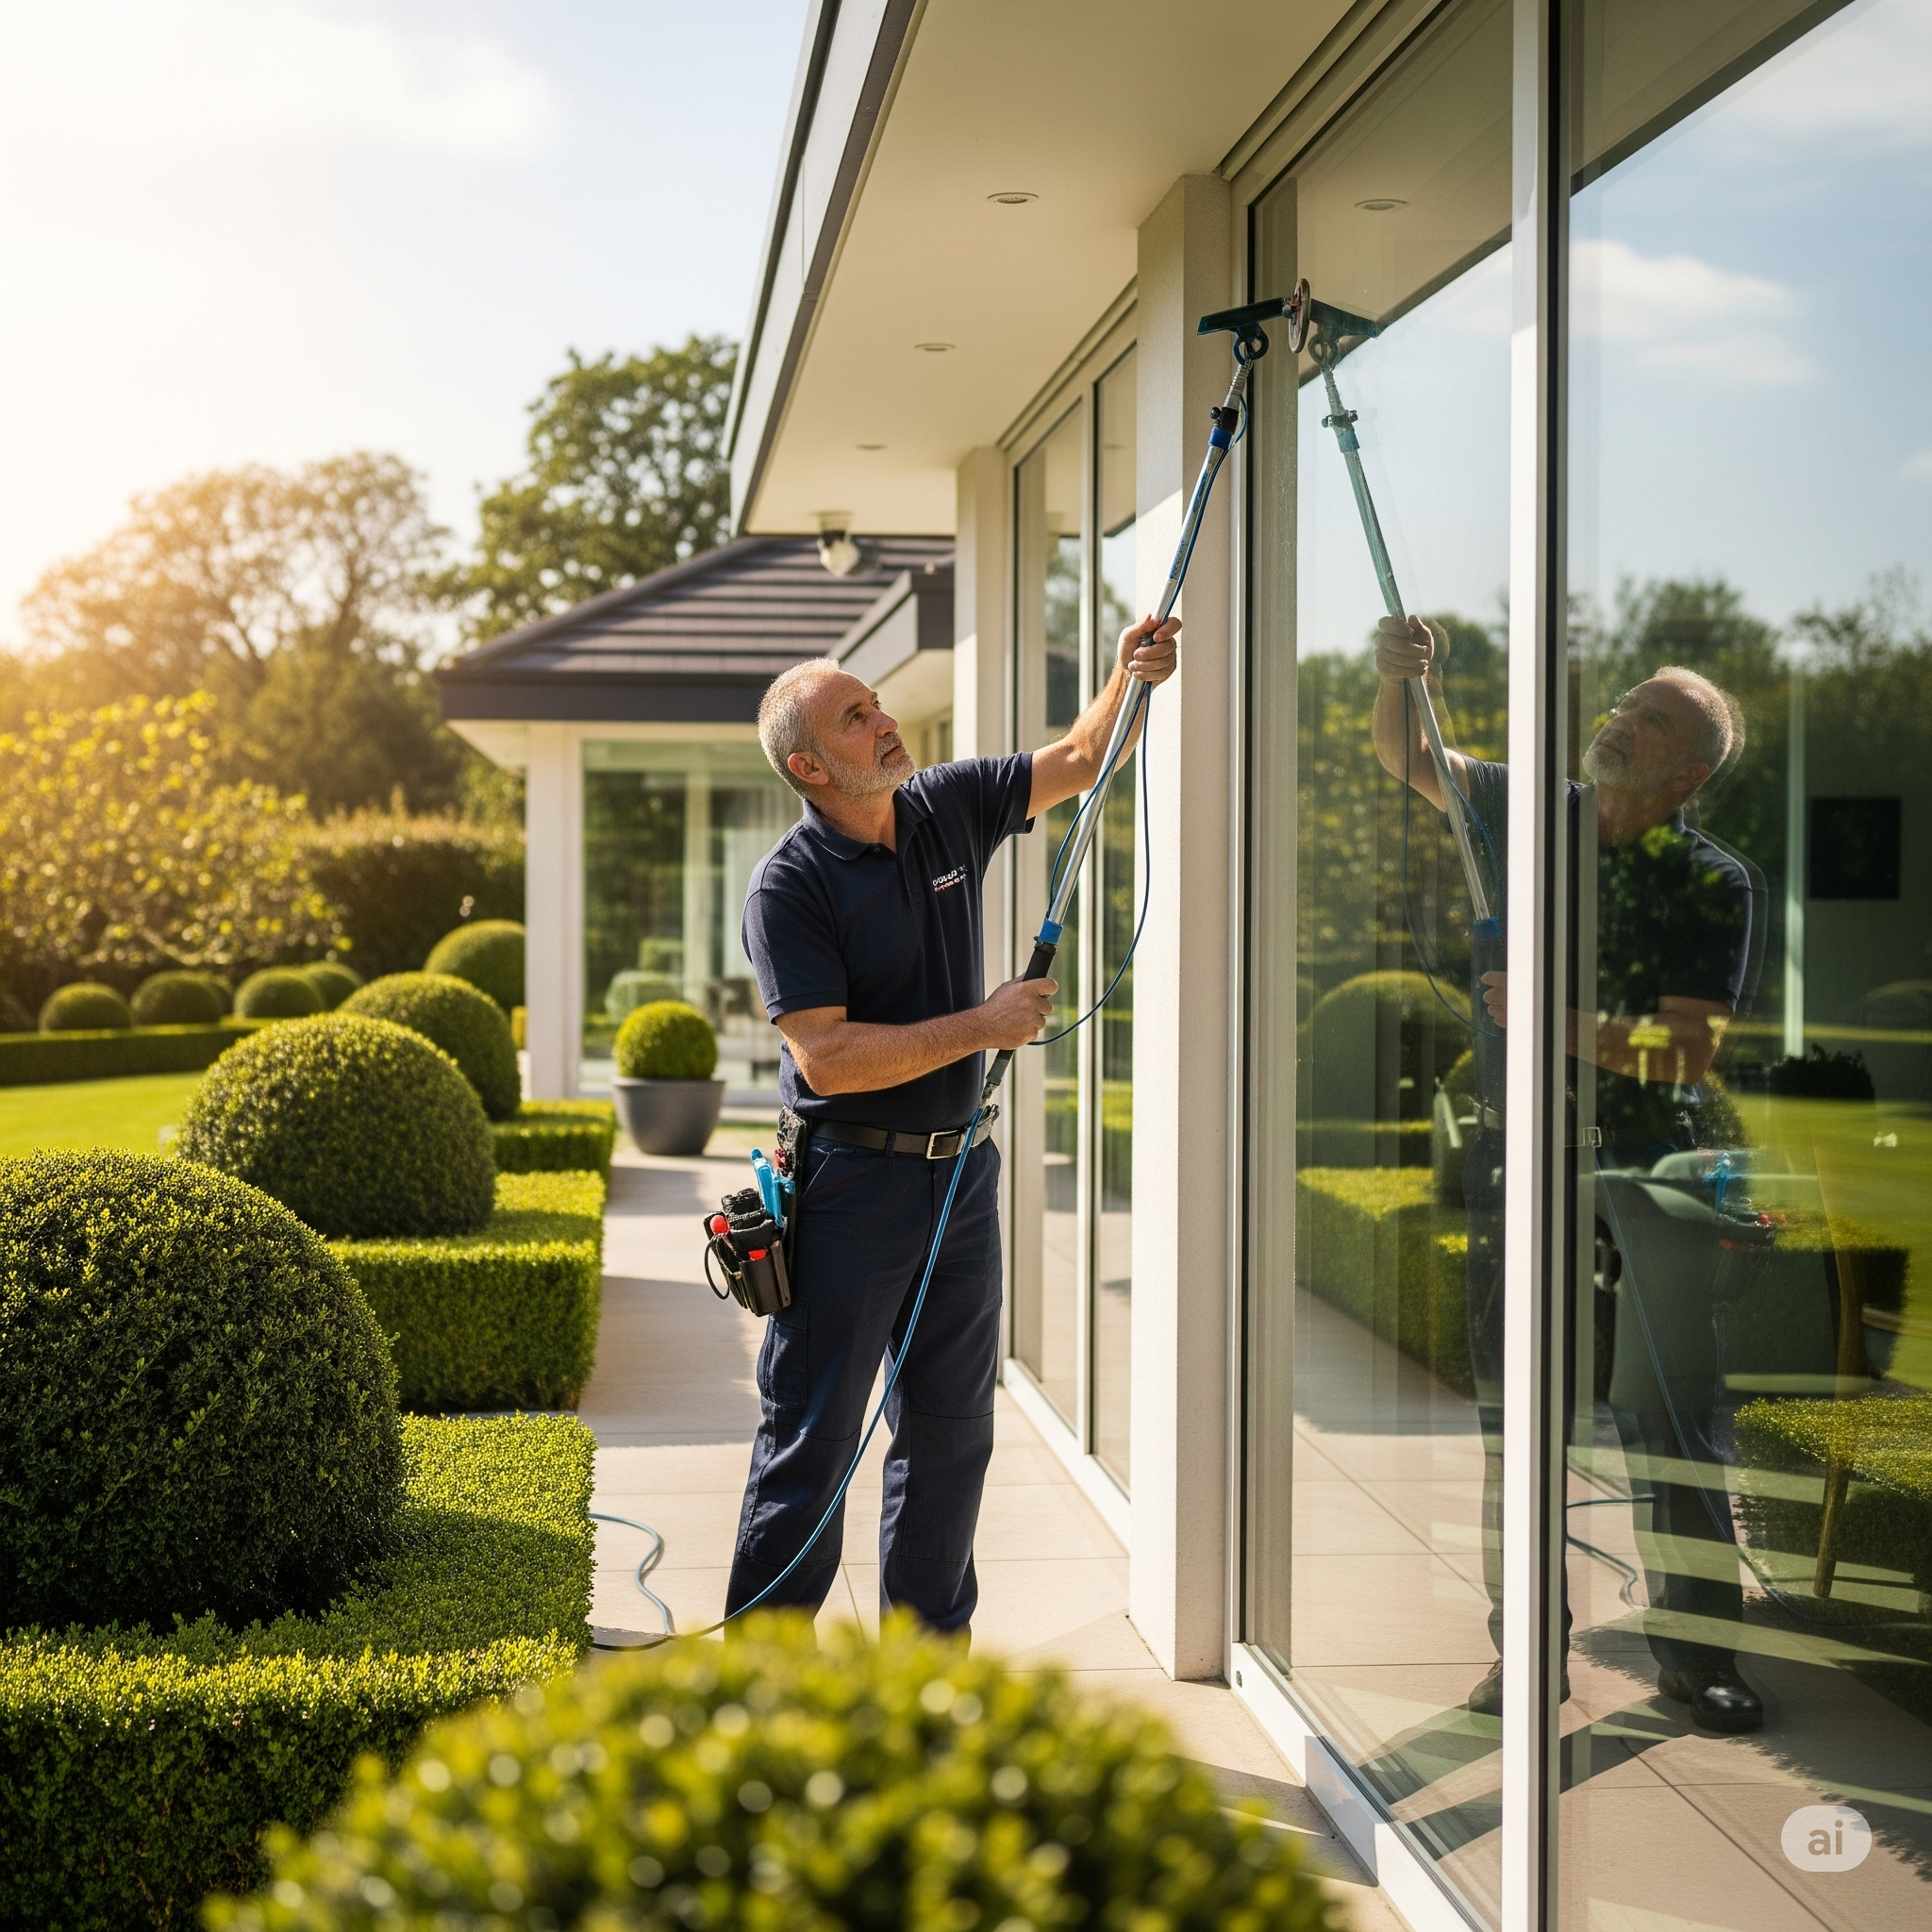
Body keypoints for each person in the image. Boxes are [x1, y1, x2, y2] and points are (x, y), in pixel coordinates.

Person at [726, 613, 1180, 1633]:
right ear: (808, 765)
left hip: (959, 1181)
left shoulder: (942, 806)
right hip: (846, 1192)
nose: (883, 720)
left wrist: (1125, 677)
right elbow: (826, 1057)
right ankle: (754, 1702)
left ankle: (925, 1684)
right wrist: (984, 1022)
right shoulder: (789, 888)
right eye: (855, 717)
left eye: (876, 701)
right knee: (810, 1448)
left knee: (949, 1438)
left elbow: (1080, 755)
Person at [1373, 613, 1763, 1734]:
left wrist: (1553, 1020)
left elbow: (1686, 1050)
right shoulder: (1524, 811)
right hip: (1521, 1161)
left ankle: (1698, 1655)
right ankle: (1526, 1651)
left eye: (1646, 720)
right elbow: (1408, 756)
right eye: (1624, 703)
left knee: (1673, 1417)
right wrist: (1396, 679)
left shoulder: (1710, 881)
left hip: (1649, 1167)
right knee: (1519, 1415)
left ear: (1685, 771)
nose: (1617, 720)